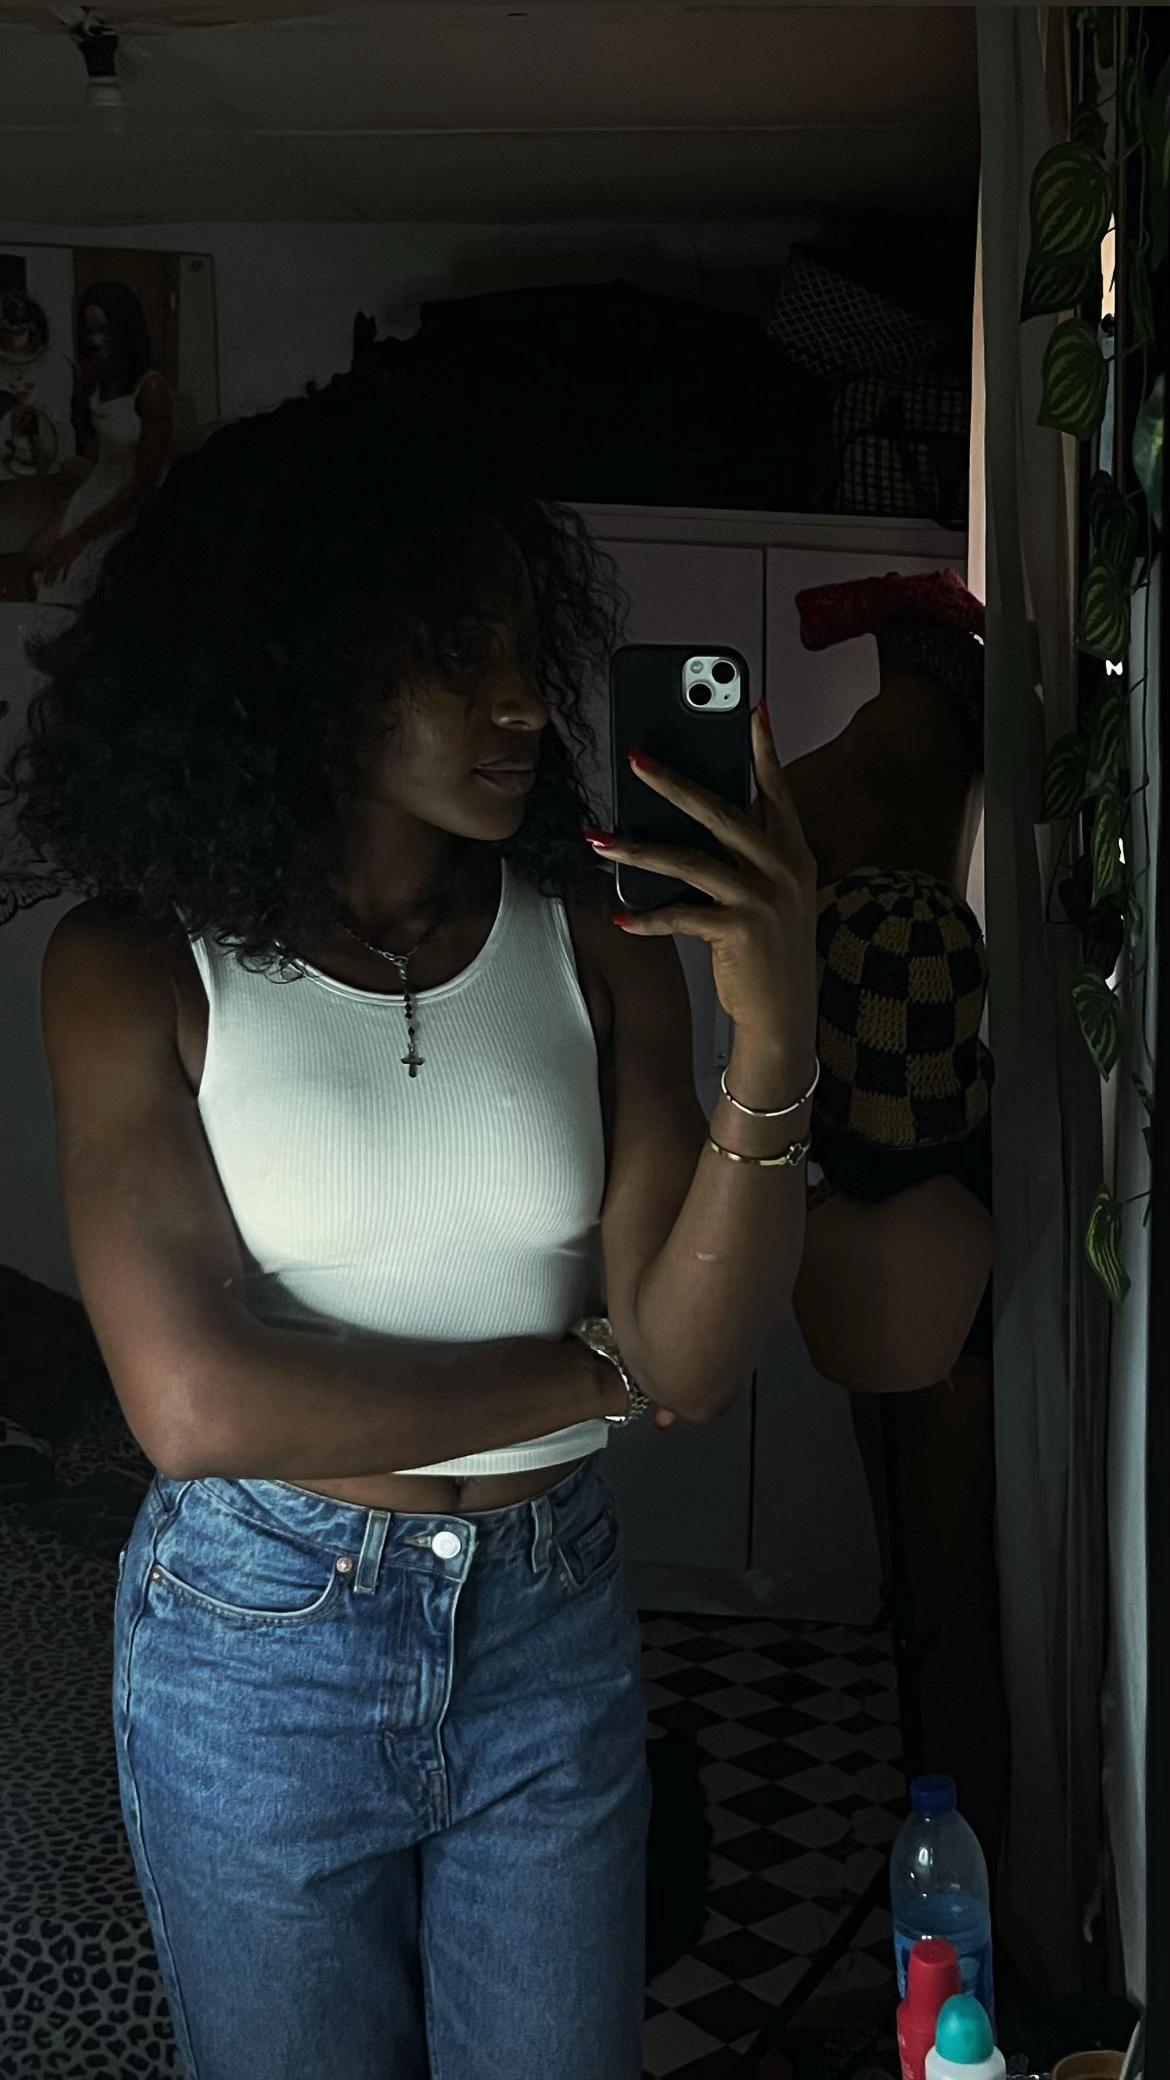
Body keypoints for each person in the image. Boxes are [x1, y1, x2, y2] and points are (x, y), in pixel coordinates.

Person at [1, 368, 818, 2080]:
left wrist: (777, 1033)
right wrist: (592, 1371)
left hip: (547, 1622)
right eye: (455, 651)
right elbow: (195, 1407)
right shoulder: (134, 965)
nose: (523, 699)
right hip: (256, 1644)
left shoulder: (592, 941)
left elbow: (691, 1359)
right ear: (296, 665)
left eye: (525, 642)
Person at [778, 569, 1007, 1869]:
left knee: (923, 1578)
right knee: (945, 1588)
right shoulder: (911, 778)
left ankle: (949, 1855)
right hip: (910, 1146)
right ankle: (962, 1862)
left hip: (849, 1148)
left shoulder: (819, 795)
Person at [25, 281, 172, 609]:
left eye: (105, 329)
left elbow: (145, 482)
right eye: (89, 329)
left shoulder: (151, 388)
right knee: (34, 556)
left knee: (64, 580)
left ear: (125, 328)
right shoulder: (100, 374)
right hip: (100, 483)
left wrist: (80, 535)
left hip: (133, 498)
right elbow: (95, 447)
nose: (95, 339)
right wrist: (78, 397)